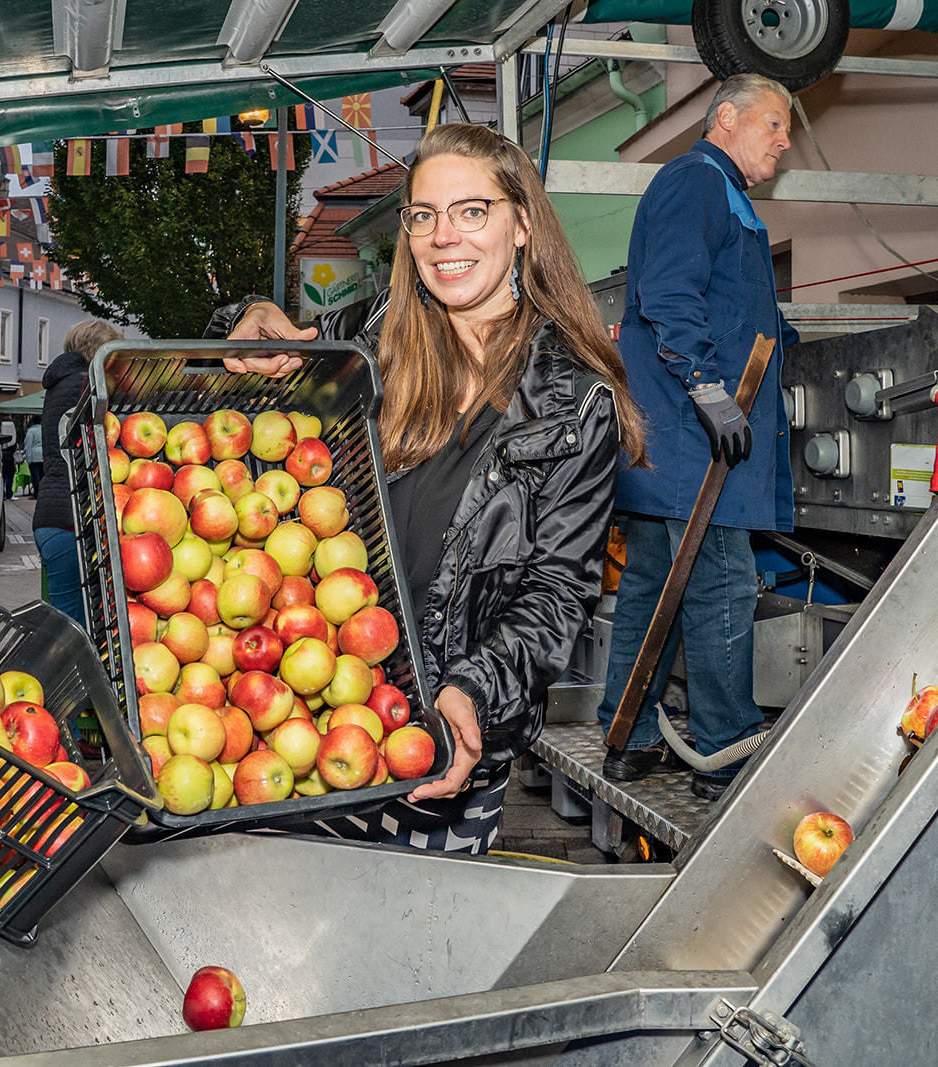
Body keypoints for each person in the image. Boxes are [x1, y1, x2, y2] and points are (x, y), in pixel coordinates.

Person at [208, 123, 645, 852]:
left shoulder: (575, 399)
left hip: (446, 729)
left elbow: (558, 590)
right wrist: (245, 320)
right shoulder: (374, 337)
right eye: (424, 215)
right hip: (309, 691)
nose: (445, 236)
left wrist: (473, 689)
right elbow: (269, 345)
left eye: (472, 211)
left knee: (411, 942)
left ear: (523, 224)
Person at [595, 74, 800, 800]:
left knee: (653, 588)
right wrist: (711, 393)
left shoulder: (721, 192)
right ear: (726, 117)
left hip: (674, 446)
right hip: (693, 443)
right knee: (721, 584)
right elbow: (671, 294)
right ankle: (727, 749)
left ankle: (629, 736)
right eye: (774, 124)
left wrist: (777, 334)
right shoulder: (696, 181)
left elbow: (718, 300)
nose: (784, 140)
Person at [34, 320, 123, 628]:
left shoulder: (61, 383)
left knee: (66, 615)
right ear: (101, 354)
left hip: (51, 517)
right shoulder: (87, 386)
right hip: (72, 519)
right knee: (76, 626)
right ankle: (71, 676)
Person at [23, 417, 43, 497]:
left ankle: (37, 493)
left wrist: (28, 458)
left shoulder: (31, 431)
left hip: (34, 456)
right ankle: (43, 492)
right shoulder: (43, 429)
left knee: (35, 476)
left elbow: (28, 445)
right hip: (43, 455)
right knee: (42, 475)